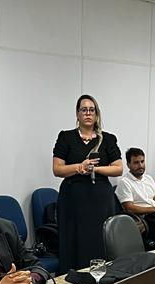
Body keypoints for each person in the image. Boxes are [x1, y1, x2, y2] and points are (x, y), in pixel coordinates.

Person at [52, 94, 123, 271]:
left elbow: (118, 168)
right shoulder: (66, 137)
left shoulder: (107, 139)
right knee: (73, 242)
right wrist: (79, 167)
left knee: (99, 242)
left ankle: (99, 280)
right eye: (84, 110)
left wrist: (95, 169)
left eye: (92, 110)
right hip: (73, 199)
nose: (88, 113)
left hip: (100, 200)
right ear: (77, 114)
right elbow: (57, 169)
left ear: (97, 114)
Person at [115, 147, 155, 247]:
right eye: (136, 162)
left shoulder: (148, 178)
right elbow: (129, 208)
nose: (140, 165)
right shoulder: (124, 182)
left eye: (142, 161)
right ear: (129, 165)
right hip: (144, 219)